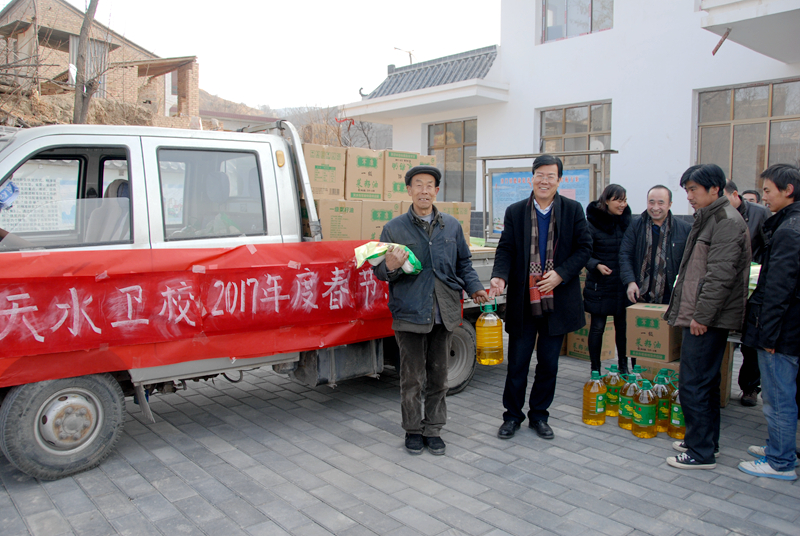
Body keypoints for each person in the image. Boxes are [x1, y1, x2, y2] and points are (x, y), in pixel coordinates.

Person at [374, 165, 488, 456]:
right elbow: (380, 272)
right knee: (411, 377)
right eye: (418, 185)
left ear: (436, 191)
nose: (424, 191)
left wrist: (476, 287)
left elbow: (464, 263)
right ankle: (413, 430)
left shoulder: (451, 226)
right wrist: (390, 267)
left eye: (429, 185)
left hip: (444, 312)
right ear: (409, 190)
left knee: (439, 376)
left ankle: (434, 429)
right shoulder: (394, 228)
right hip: (410, 312)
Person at [489, 155, 592, 441]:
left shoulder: (572, 210)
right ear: (532, 178)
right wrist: (500, 275)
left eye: (550, 176)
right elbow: (506, 248)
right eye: (540, 175)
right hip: (525, 299)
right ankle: (512, 416)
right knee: (517, 363)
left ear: (559, 180)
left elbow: (584, 248)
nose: (544, 181)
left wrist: (561, 274)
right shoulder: (516, 211)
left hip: (556, 300)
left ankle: (539, 415)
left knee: (548, 364)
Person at [664, 164, 750, 470]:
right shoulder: (711, 217)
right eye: (687, 190)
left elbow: (719, 277)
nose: (689, 196)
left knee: (694, 384)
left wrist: (701, 316)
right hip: (703, 315)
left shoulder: (725, 221)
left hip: (707, 319)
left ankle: (700, 453)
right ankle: (704, 442)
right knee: (705, 383)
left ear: (715, 189)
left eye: (693, 190)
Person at [738, 164, 800, 481]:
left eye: (767, 190)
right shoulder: (788, 225)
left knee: (778, 399)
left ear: (788, 190)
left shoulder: (789, 231)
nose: (764, 197)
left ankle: (780, 461)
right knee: (785, 396)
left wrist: (769, 336)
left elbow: (779, 290)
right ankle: (780, 447)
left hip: (782, 332)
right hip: (789, 329)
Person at [723, 181, 772, 406]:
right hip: (728, 284)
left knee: (750, 342)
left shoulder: (759, 214)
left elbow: (769, 246)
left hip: (753, 285)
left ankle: (750, 387)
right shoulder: (718, 214)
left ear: (735, 195)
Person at [583, 184, 631, 373]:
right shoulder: (592, 224)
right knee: (597, 327)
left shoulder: (627, 222)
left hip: (621, 284)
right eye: (618, 200)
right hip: (600, 284)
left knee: (623, 328)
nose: (622, 204)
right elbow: (583, 252)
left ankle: (624, 368)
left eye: (624, 200)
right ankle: (595, 370)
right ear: (607, 201)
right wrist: (596, 265)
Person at [619, 185, 691, 307]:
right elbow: (625, 254)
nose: (655, 207)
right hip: (639, 293)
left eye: (661, 203)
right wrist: (630, 282)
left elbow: (688, 262)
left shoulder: (684, 229)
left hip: (670, 296)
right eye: (651, 202)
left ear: (670, 204)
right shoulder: (636, 225)